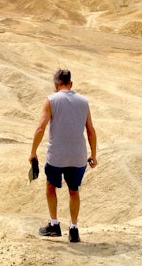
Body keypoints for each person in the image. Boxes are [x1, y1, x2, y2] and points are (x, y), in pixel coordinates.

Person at [29, 69, 97, 243]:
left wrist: (33, 152)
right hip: (78, 155)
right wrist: (94, 155)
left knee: (51, 186)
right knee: (74, 191)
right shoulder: (84, 101)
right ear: (71, 83)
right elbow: (90, 130)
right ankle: (74, 229)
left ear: (55, 85)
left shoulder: (51, 100)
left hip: (57, 156)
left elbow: (40, 128)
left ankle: (54, 225)